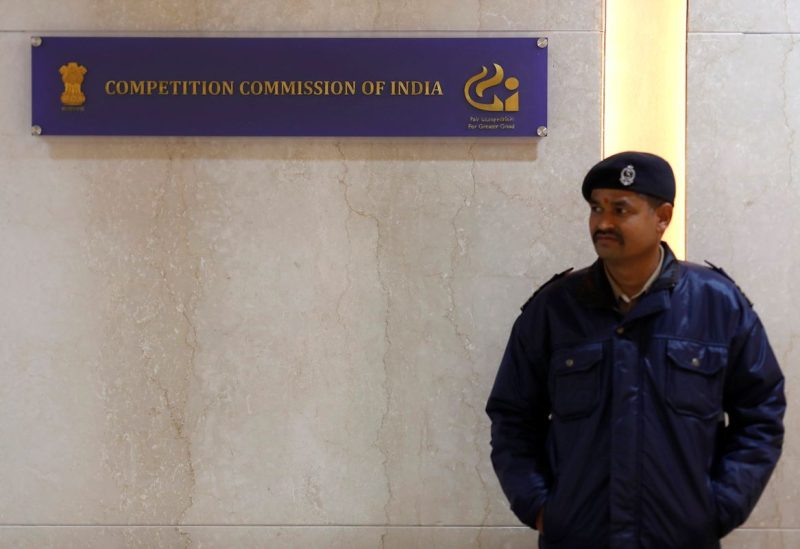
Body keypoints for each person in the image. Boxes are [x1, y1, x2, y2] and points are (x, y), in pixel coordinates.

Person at [485, 151, 785, 548]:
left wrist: (719, 506)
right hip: (579, 538)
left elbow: (760, 414)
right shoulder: (555, 310)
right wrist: (540, 506)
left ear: (662, 217)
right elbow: (513, 418)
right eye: (596, 208)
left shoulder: (718, 304)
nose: (603, 222)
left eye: (620, 209)